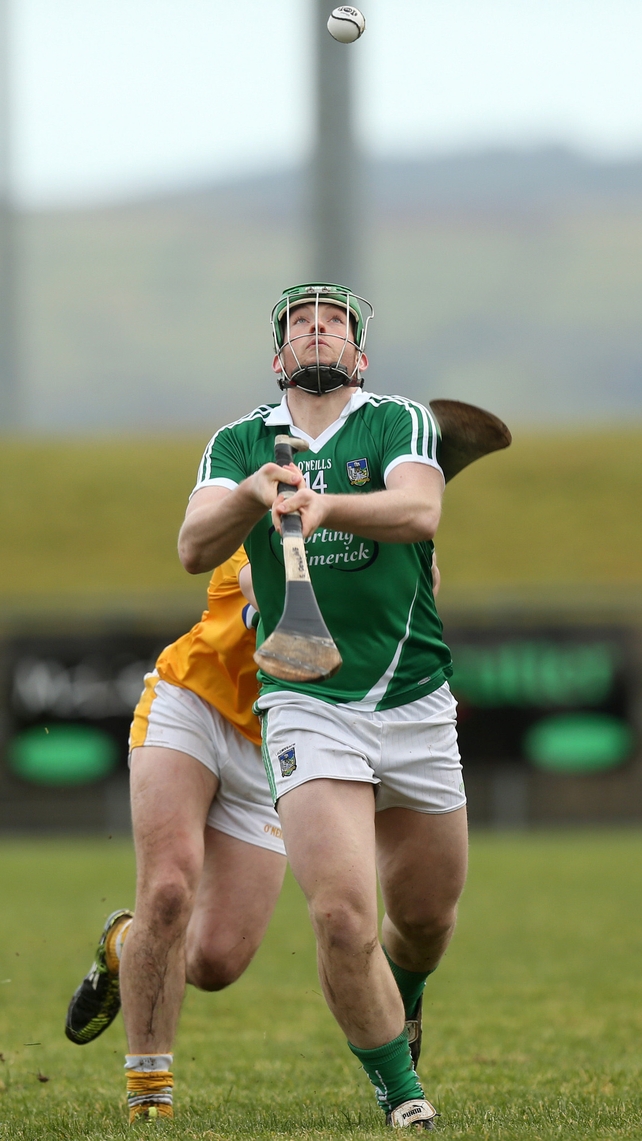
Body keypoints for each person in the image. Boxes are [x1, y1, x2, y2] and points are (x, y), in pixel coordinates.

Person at [178, 282, 468, 1130]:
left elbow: (420, 507)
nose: (317, 329)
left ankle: (404, 996)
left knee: (422, 918)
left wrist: (324, 502)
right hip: (305, 695)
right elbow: (194, 545)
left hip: (413, 694)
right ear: (278, 359)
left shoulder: (398, 422)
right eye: (300, 323)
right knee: (344, 913)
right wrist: (253, 494)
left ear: (358, 356)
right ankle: (402, 1095)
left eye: (335, 323)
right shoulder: (238, 442)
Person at [65, 548, 287, 1123]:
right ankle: (149, 1096)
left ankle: (124, 946)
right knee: (167, 890)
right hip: (190, 704)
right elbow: (270, 589)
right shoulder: (258, 525)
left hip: (268, 745)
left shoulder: (363, 527)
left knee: (216, 962)